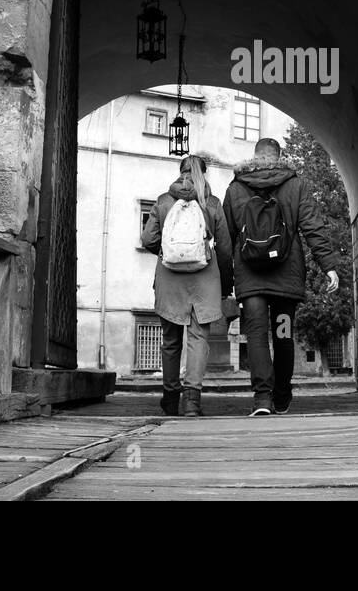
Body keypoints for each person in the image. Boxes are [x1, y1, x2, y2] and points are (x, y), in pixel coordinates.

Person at [223, 137, 340, 417]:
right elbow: (313, 227)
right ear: (279, 156)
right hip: (286, 278)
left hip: (251, 281)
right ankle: (282, 396)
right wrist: (329, 265)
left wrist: (225, 282)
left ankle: (262, 399)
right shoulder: (295, 185)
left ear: (254, 156)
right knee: (283, 334)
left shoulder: (236, 188)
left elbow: (225, 239)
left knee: (256, 336)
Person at [141, 154, 233, 417]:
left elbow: (148, 238)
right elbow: (224, 249)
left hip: (169, 278)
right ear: (204, 174)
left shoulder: (163, 201)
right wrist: (225, 284)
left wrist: (169, 251)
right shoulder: (212, 203)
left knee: (171, 340)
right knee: (198, 339)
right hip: (204, 280)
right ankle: (192, 402)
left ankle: (170, 400)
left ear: (180, 172)